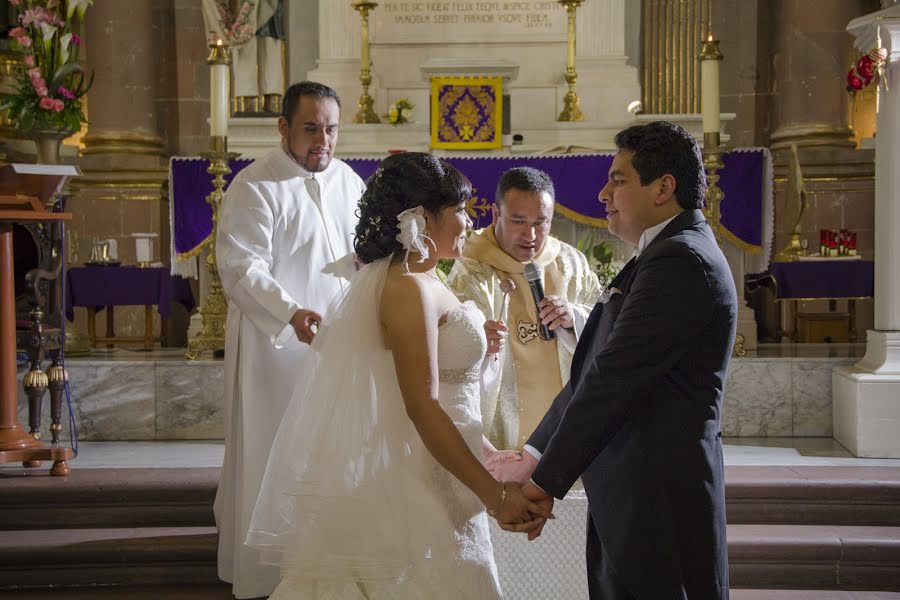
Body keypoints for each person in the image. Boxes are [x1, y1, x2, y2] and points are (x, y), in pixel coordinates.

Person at [246, 152, 551, 598]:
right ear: (423, 218)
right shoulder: (407, 287)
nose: (469, 222)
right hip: (420, 489)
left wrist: (489, 455)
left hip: (445, 476)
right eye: (460, 211)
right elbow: (421, 406)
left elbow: (446, 391)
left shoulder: (425, 278)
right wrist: (495, 496)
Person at [518, 122, 737, 599]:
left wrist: (543, 484)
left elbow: (612, 380)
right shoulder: (661, 252)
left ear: (663, 187)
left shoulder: (682, 260)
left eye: (618, 179)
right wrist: (534, 456)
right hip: (634, 490)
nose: (602, 193)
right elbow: (595, 366)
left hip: (660, 496)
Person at [214, 81, 365, 599]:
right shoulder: (254, 186)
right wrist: (290, 311)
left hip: (341, 344)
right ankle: (270, 572)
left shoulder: (349, 182)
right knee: (275, 450)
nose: (322, 139)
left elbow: (359, 253)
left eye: (331, 128)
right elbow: (239, 267)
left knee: (335, 450)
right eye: (310, 127)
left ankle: (326, 566)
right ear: (283, 128)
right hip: (274, 349)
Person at [447, 167, 599, 466]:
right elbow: (450, 352)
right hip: (500, 432)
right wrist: (479, 339)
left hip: (567, 431)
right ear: (496, 215)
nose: (530, 236)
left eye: (540, 223)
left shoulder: (570, 265)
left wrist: (575, 318)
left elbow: (608, 327)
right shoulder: (471, 270)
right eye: (518, 221)